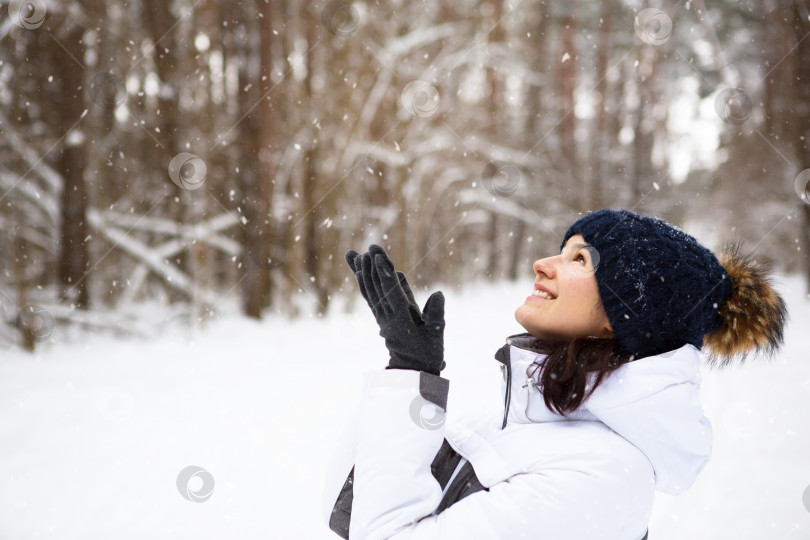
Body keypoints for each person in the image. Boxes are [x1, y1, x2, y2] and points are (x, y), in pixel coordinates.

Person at [321, 208, 788, 540]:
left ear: (624, 316)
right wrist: (407, 379)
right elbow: (347, 505)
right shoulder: (533, 412)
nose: (542, 265)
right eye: (562, 252)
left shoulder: (603, 476)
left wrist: (411, 377)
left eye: (579, 259)